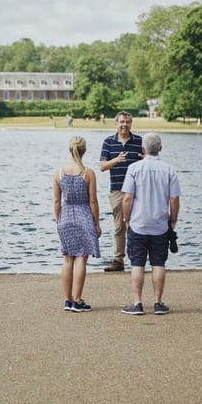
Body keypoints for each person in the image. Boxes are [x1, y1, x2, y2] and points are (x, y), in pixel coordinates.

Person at [119, 133, 181, 315]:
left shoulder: (134, 168)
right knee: (158, 263)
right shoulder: (169, 170)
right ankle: (158, 302)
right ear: (160, 148)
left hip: (138, 223)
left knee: (137, 264)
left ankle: (137, 303)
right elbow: (174, 199)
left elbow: (127, 198)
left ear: (143, 149)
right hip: (160, 224)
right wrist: (173, 219)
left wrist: (126, 219)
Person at [54, 136, 102, 312]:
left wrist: (58, 220)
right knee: (81, 259)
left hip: (65, 216)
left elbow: (56, 201)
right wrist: (97, 224)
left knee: (67, 260)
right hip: (83, 216)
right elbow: (93, 202)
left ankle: (67, 300)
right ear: (85, 150)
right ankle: (77, 300)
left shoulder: (59, 172)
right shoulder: (88, 173)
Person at [99, 111, 143, 272]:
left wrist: (144, 160)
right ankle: (118, 260)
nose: (124, 124)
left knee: (137, 225)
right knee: (119, 226)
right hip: (117, 190)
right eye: (122, 122)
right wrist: (116, 160)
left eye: (127, 122)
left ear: (131, 124)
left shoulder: (139, 141)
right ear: (116, 124)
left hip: (137, 191)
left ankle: (138, 260)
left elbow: (148, 160)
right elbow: (102, 166)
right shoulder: (108, 142)